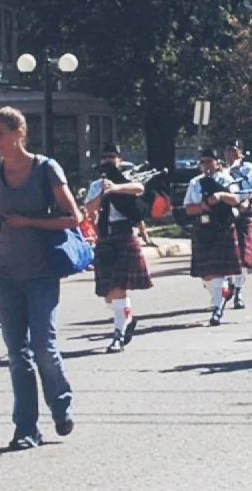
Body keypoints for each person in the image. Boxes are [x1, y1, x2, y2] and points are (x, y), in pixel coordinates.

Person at [0, 106, 77, 450]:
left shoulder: (46, 169)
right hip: (7, 274)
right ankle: (25, 429)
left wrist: (30, 222)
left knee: (43, 347)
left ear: (20, 132)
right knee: (18, 354)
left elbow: (73, 218)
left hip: (42, 273)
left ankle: (61, 405)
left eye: (0, 134)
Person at [83, 143, 152, 352]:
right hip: (105, 236)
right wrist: (103, 192)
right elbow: (88, 209)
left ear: (119, 159)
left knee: (118, 289)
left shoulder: (127, 179)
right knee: (108, 294)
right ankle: (127, 320)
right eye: (104, 157)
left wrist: (116, 188)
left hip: (124, 235)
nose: (108, 160)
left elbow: (139, 189)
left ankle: (118, 336)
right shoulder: (96, 184)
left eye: (112, 157)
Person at [184, 148, 242, 326]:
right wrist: (201, 206)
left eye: (209, 161)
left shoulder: (226, 179)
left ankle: (217, 309)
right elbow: (188, 208)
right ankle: (222, 293)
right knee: (207, 274)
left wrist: (221, 195)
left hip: (223, 226)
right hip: (203, 228)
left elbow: (237, 200)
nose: (206, 165)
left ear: (217, 162)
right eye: (203, 162)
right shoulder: (195, 183)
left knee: (217, 273)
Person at [224, 139, 252, 310]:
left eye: (233, 150)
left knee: (242, 255)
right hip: (225, 215)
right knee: (226, 255)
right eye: (227, 150)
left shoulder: (249, 169)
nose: (230, 153)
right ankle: (226, 286)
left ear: (240, 151)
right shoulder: (221, 171)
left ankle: (238, 291)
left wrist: (248, 200)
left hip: (244, 214)